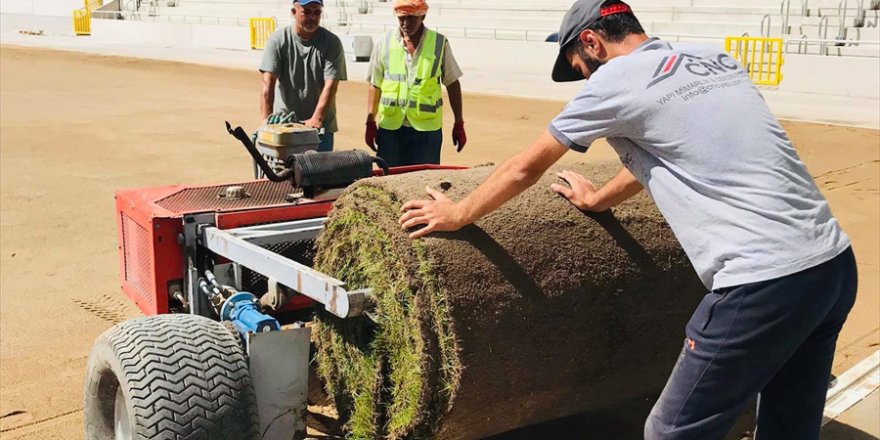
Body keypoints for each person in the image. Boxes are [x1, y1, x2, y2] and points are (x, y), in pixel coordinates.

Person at [397, 1, 857, 439]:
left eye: (580, 68)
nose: (583, 81)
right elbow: (668, 153)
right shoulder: (711, 57)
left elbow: (526, 167)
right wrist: (597, 200)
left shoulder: (613, 80)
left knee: (670, 431)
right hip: (832, 266)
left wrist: (457, 211)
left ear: (593, 42)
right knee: (788, 421)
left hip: (762, 282)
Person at [364, 0, 467, 166]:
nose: (405, 23)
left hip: (426, 131)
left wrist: (459, 122)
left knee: (422, 181)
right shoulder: (384, 43)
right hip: (391, 128)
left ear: (423, 16)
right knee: (389, 180)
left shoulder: (439, 44)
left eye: (411, 18)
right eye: (401, 18)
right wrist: (370, 122)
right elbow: (375, 84)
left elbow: (453, 83)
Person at [260, 0, 346, 152]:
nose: (312, 17)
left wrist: (317, 118)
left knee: (319, 173)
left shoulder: (331, 43)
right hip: (285, 126)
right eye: (306, 12)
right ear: (294, 12)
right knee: (283, 173)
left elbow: (331, 84)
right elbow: (268, 84)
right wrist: (266, 122)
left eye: (317, 12)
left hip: (320, 130)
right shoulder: (278, 40)